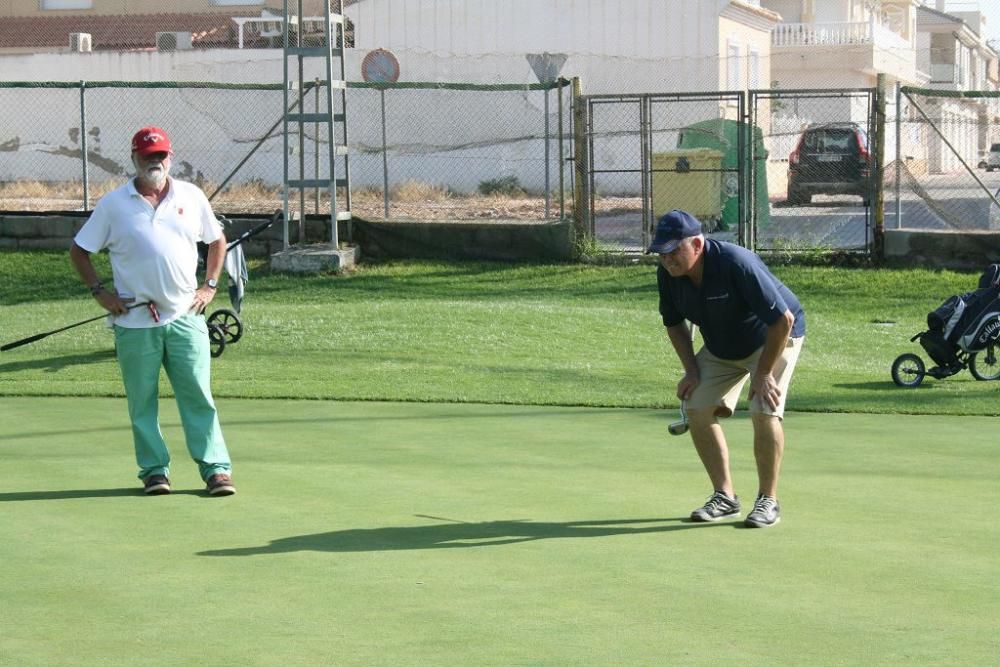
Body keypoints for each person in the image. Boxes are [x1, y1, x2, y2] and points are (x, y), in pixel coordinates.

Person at [69, 126, 235, 497]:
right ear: (134, 159)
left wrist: (209, 285)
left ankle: (215, 470)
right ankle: (154, 471)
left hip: (185, 317)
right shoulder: (113, 205)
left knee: (198, 397)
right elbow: (79, 251)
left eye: (160, 155)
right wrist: (101, 293)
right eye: (147, 156)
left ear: (169, 157)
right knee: (141, 401)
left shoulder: (191, 196)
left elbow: (217, 241)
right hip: (134, 322)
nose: (154, 162)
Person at [650, 210, 805, 528]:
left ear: (696, 244)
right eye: (662, 253)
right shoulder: (668, 273)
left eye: (673, 251)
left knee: (763, 409)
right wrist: (691, 369)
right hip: (722, 346)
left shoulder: (736, 262)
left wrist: (762, 374)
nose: (667, 260)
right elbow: (674, 323)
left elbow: (783, 320)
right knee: (697, 407)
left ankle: (768, 500)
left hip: (771, 337)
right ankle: (725, 497)